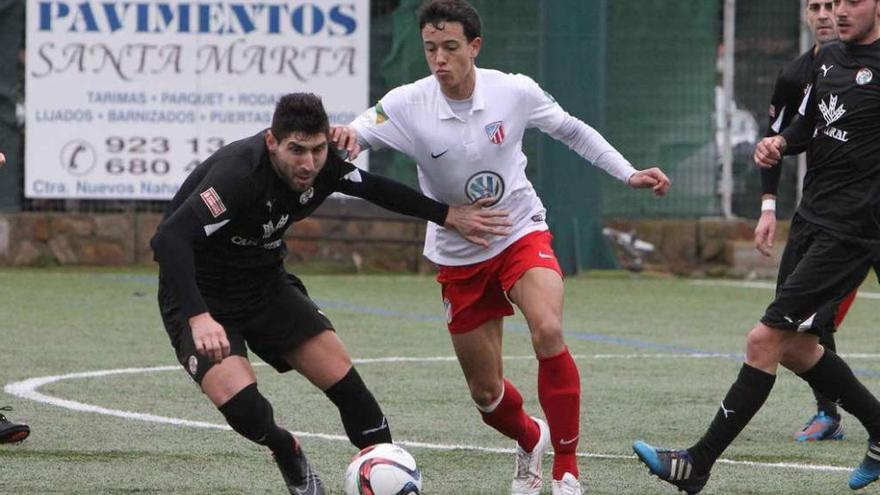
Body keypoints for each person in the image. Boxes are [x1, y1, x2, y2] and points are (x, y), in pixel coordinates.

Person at [334, 1, 670, 493]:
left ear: (474, 46)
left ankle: (567, 469)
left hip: (519, 230)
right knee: (487, 395)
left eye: (450, 47)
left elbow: (571, 130)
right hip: (458, 252)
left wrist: (628, 172)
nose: (439, 59)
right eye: (431, 48)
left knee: (548, 329)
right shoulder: (407, 103)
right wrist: (347, 137)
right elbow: (358, 132)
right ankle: (531, 436)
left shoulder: (513, 91)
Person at [150, 93, 511, 495]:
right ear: (273, 143)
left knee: (348, 387)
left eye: (318, 149)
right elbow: (169, 240)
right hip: (202, 294)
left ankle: (387, 476)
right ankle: (285, 448)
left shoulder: (325, 167)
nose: (308, 163)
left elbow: (376, 189)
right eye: (296, 150)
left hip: (265, 285)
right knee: (246, 410)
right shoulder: (240, 174)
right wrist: (199, 317)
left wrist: (447, 215)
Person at [634, 0, 880, 492]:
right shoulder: (826, 59)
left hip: (851, 230)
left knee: (763, 340)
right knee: (797, 348)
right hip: (810, 219)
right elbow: (807, 125)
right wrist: (781, 144)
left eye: (852, 1)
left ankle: (696, 463)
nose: (839, 11)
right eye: (829, 2)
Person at [756, 0, 856, 443]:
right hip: (830, 217)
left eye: (834, 5)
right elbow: (788, 136)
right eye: (816, 6)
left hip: (862, 219)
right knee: (806, 318)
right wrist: (767, 206)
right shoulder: (798, 75)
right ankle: (828, 412)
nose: (826, 15)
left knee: (808, 319)